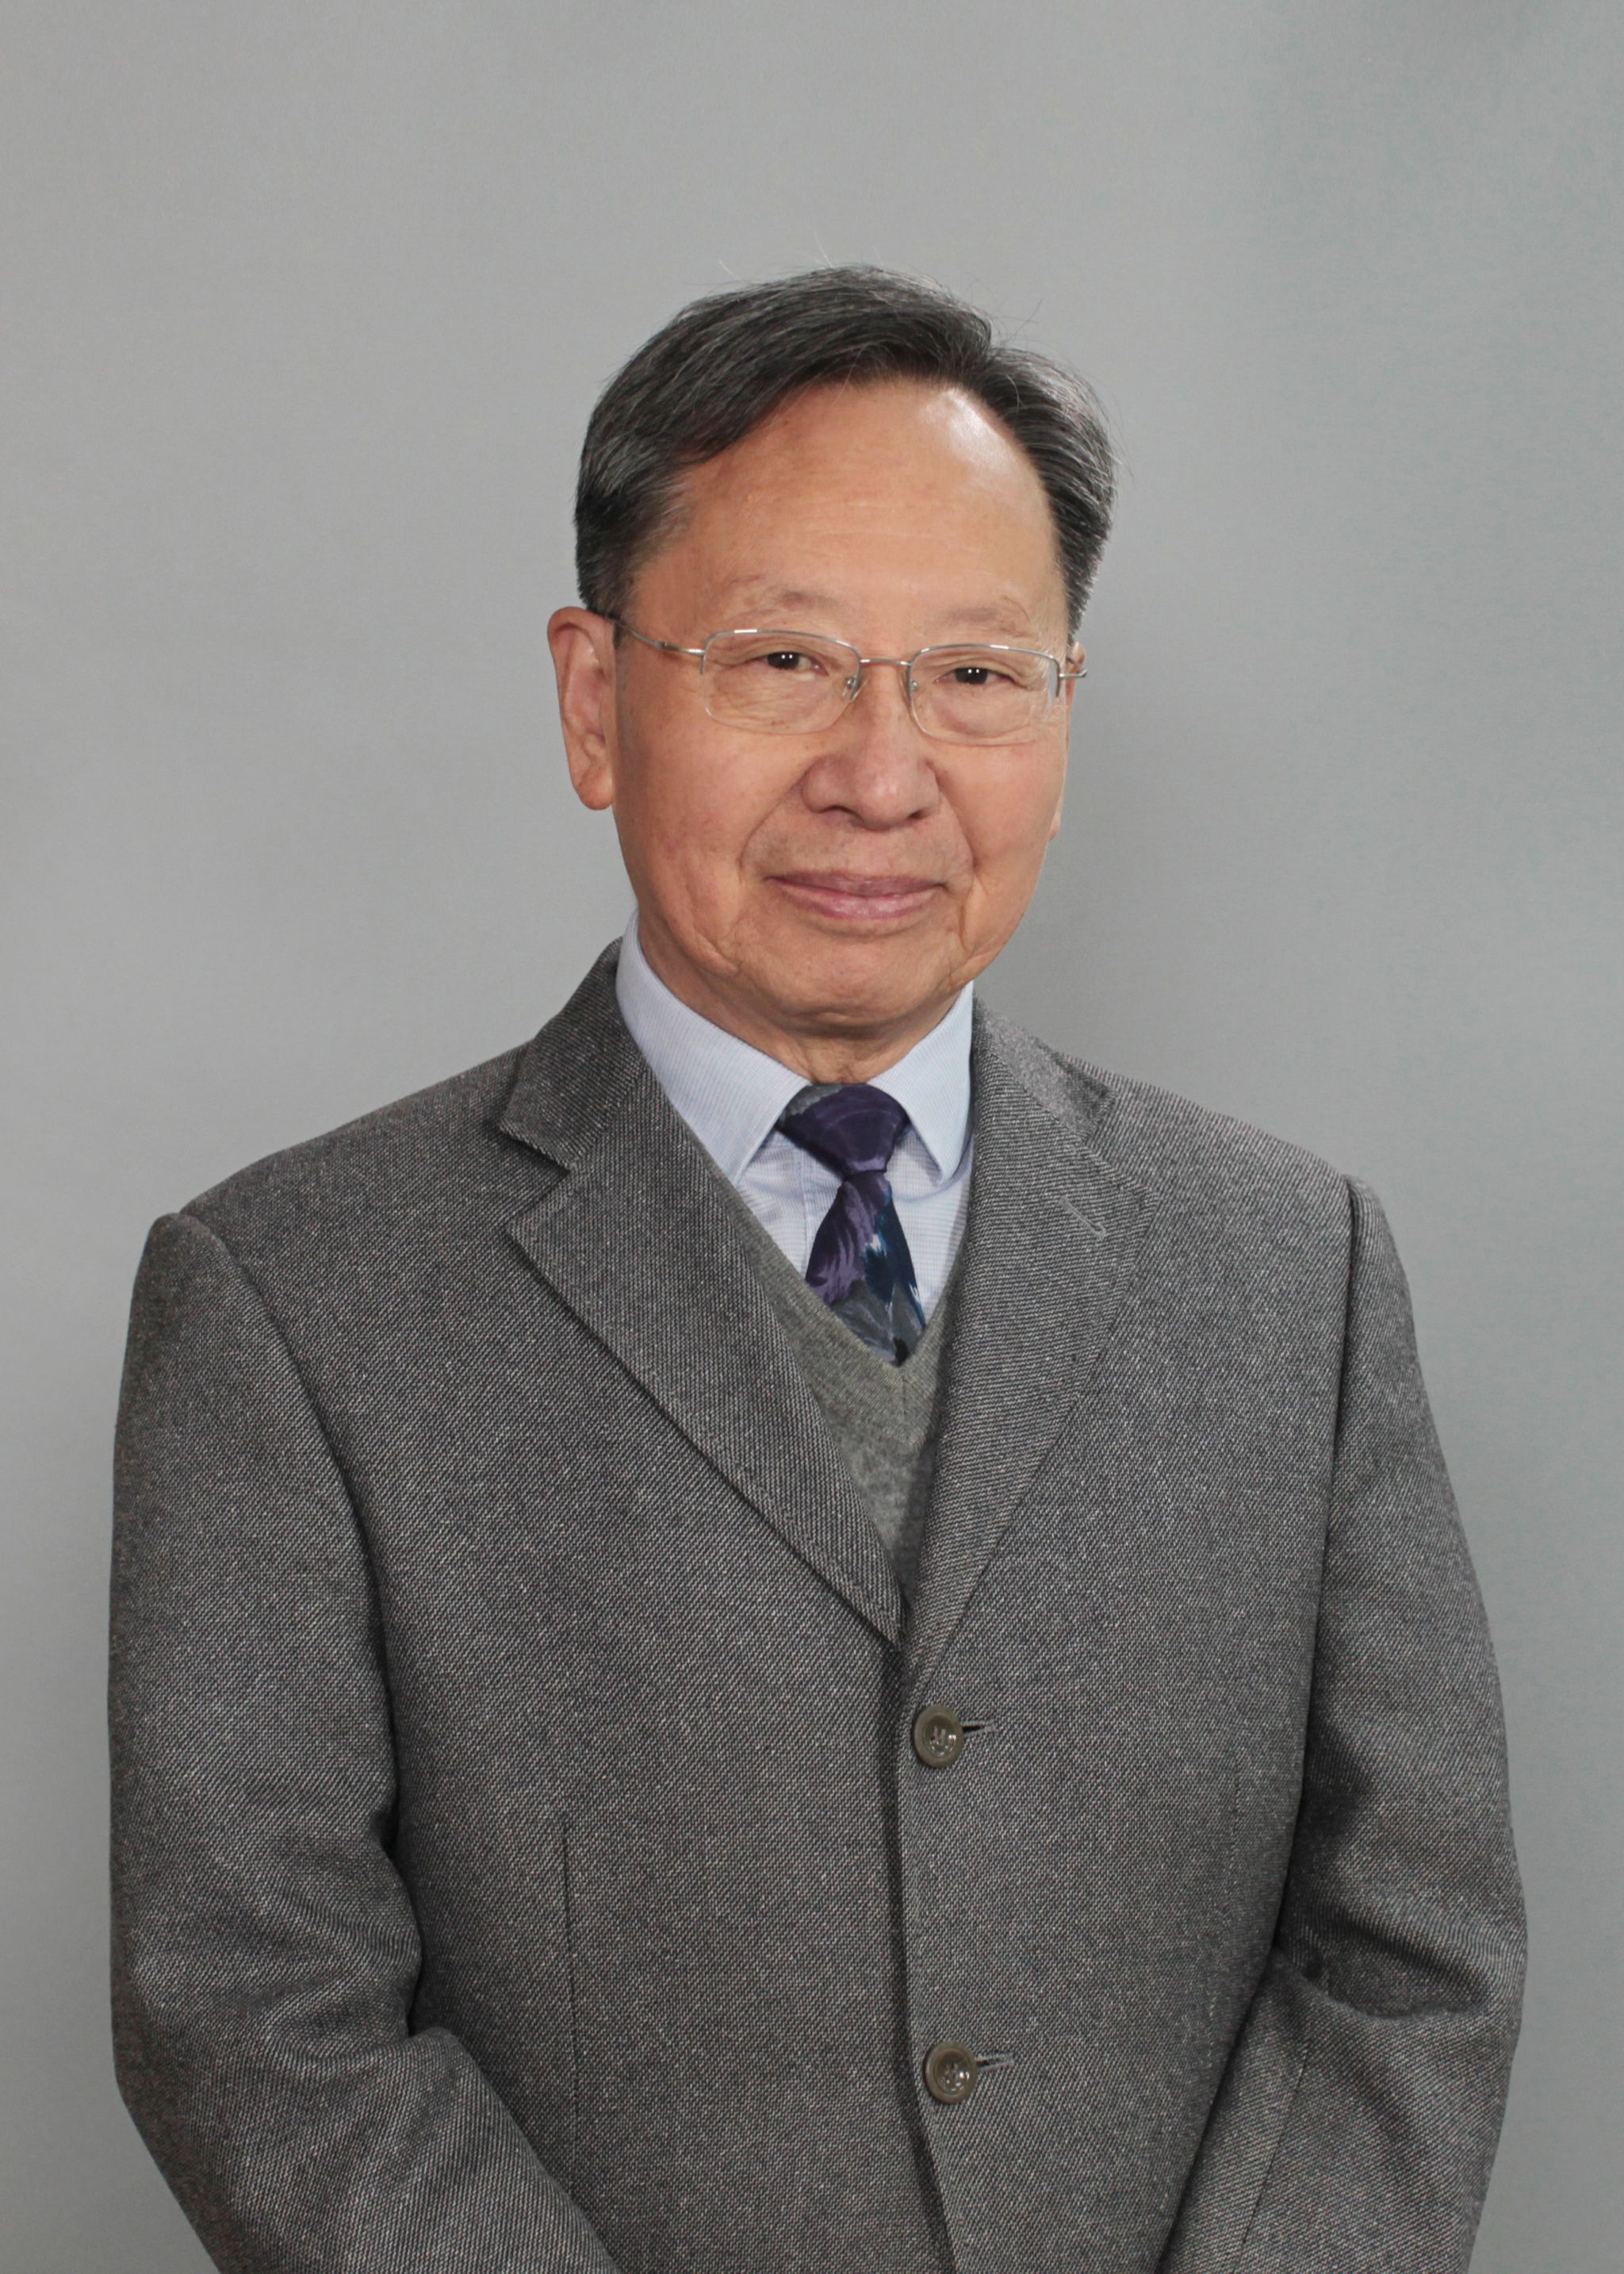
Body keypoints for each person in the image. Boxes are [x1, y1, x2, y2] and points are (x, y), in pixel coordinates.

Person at [109, 266, 1524, 2274]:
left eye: (976, 674)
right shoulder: (291, 1302)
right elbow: (257, 2019)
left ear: (1062, 710)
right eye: (784, 660)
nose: (883, 770)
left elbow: (1415, 1949)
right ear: (594, 702)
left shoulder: (1294, 1271)